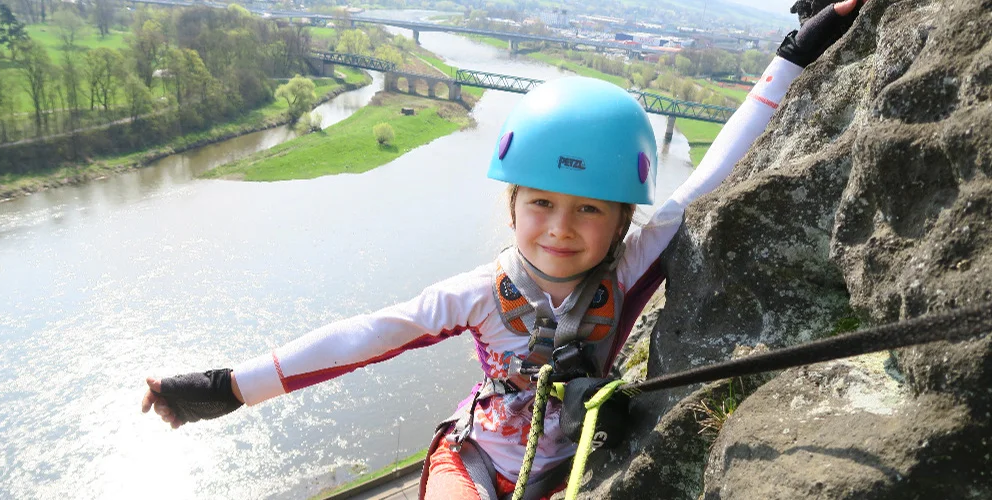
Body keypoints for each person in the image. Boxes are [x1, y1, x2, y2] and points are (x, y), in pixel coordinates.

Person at [142, 2, 868, 498]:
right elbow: (367, 336)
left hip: (561, 468)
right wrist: (227, 387)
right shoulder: (478, 295)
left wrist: (792, 57)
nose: (560, 226)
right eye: (541, 205)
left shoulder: (634, 262)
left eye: (588, 210)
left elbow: (711, 174)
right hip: (475, 458)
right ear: (513, 207)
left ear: (620, 222)